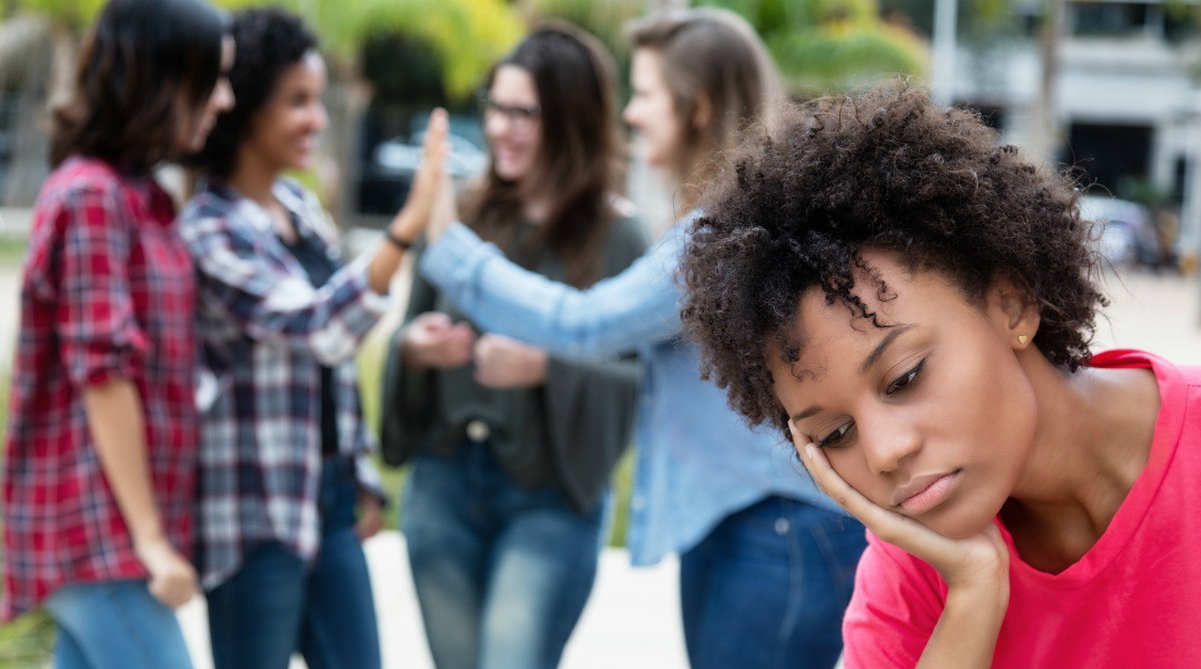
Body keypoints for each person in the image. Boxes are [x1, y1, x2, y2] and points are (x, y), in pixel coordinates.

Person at [677, 81, 1201, 668]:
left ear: (1011, 304)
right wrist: (973, 596)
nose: (884, 453)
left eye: (904, 378)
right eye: (834, 435)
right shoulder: (919, 564)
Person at [418, 9, 865, 668]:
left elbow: (587, 323)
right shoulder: (732, 221)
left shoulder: (721, 233)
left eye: (647, 94)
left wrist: (446, 242)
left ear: (696, 106)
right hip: (758, 527)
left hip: (776, 534)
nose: (630, 113)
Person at [177, 8, 449, 669]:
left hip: (327, 500)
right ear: (244, 110)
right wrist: (408, 224)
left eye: (318, 100)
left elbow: (335, 366)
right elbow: (322, 326)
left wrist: (357, 473)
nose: (317, 119)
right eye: (298, 101)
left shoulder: (299, 210)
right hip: (255, 516)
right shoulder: (210, 230)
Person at [381, 22, 647, 669]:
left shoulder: (619, 237)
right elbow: (406, 329)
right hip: (443, 485)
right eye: (496, 107)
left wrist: (544, 367)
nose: (501, 127)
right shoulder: (464, 215)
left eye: (524, 112)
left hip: (547, 500)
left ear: (572, 119)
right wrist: (416, 348)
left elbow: (644, 382)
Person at [0, 1, 234, 667]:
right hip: (94, 532)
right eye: (211, 78)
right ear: (160, 79)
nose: (225, 98)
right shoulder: (91, 197)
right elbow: (104, 375)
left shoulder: (143, 199)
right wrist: (152, 539)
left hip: (114, 534)